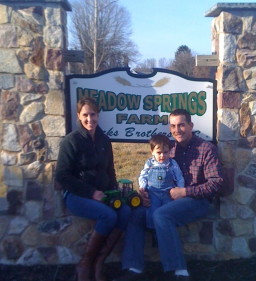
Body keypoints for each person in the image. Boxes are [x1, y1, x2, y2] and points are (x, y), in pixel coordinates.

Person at [114, 109, 224, 281]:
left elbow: (216, 183)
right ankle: (133, 268)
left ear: (191, 125)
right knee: (137, 215)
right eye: (173, 126)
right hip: (165, 198)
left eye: (181, 125)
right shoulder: (168, 150)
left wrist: (186, 191)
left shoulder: (206, 149)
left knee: (161, 215)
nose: (177, 129)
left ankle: (178, 272)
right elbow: (153, 174)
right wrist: (145, 192)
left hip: (197, 200)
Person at [55, 97, 131, 281]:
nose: (90, 119)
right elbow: (62, 176)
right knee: (109, 216)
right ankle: (85, 263)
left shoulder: (104, 140)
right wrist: (91, 193)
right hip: (77, 196)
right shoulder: (71, 141)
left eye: (93, 114)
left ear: (98, 115)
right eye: (85, 115)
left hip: (103, 195)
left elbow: (110, 169)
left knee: (126, 211)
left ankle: (99, 261)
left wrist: (114, 191)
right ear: (79, 117)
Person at [138, 134, 184, 230]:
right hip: (153, 192)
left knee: (167, 211)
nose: (162, 155)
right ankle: (153, 230)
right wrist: (143, 186)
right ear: (152, 152)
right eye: (159, 152)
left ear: (170, 151)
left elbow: (179, 177)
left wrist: (180, 189)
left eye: (165, 152)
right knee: (152, 211)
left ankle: (167, 229)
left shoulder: (172, 163)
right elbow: (143, 175)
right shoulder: (149, 163)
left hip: (168, 193)